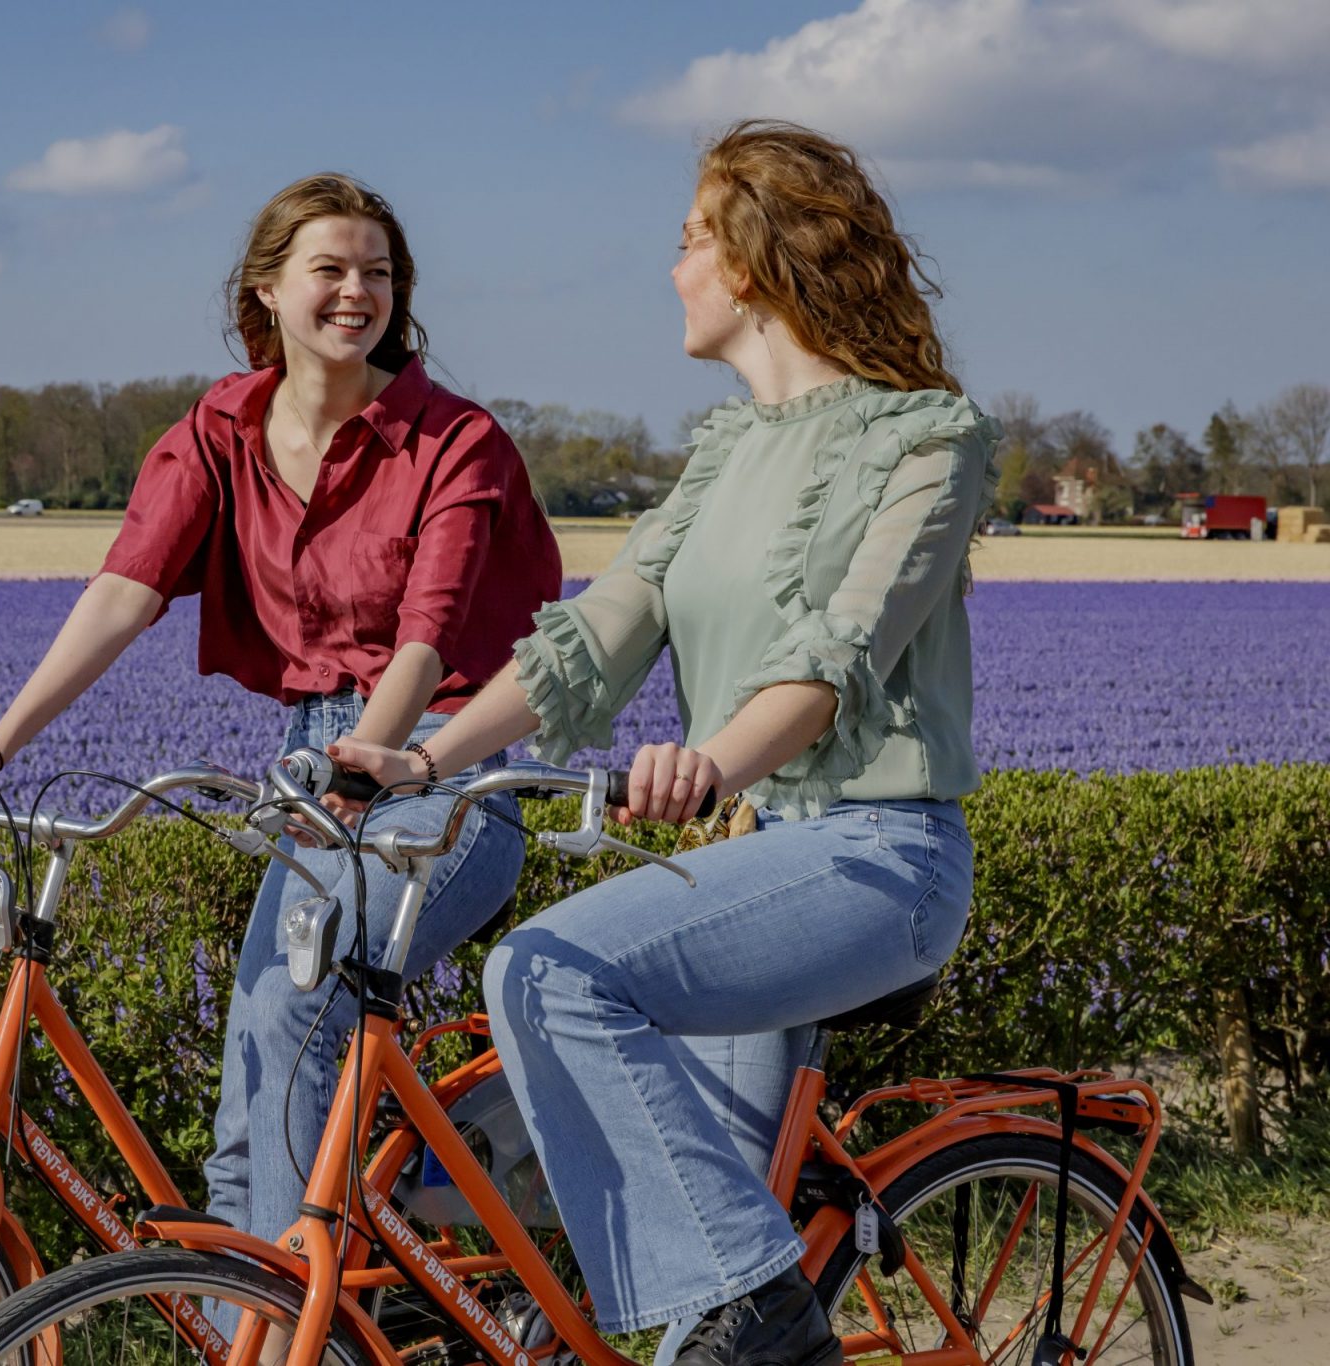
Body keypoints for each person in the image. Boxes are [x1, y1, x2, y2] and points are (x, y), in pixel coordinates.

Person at [327, 121, 998, 1366]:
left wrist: (715, 763)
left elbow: (835, 654)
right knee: (699, 1235)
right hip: (756, 860)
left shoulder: (927, 439)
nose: (670, 267)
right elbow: (592, 639)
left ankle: (768, 1325)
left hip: (876, 859)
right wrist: (424, 759)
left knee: (544, 975)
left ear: (745, 259)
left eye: (685, 240)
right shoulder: (722, 451)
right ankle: (744, 1316)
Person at [0, 172, 561, 1258]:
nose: (354, 292)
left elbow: (429, 629)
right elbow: (126, 589)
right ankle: (266, 1313)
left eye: (376, 273)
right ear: (266, 289)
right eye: (328, 269)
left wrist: (378, 752)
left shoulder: (449, 440)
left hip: (443, 772)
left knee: (292, 1018)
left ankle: (288, 1327)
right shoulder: (218, 428)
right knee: (251, 1073)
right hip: (311, 767)